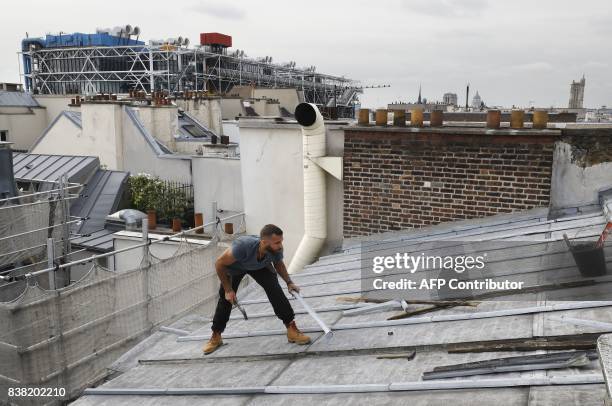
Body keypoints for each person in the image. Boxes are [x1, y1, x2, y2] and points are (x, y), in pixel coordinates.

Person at [203, 224, 311, 354]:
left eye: (281, 241)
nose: (280, 245)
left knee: (275, 291)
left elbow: (279, 264)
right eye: (277, 242)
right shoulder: (243, 246)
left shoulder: (276, 249)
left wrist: (289, 282)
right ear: (264, 242)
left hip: (260, 267)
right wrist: (228, 290)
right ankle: (216, 336)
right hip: (236, 268)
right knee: (226, 299)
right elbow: (219, 263)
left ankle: (292, 330)